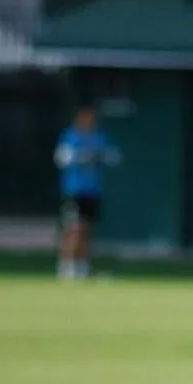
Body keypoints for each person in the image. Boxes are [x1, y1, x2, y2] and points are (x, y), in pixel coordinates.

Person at [53, 104, 121, 280]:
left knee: (87, 229)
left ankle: (82, 265)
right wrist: (81, 156)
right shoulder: (70, 136)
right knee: (73, 228)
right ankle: (67, 265)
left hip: (93, 191)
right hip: (74, 191)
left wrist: (99, 155)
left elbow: (114, 157)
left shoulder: (99, 136)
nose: (90, 121)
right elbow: (61, 158)